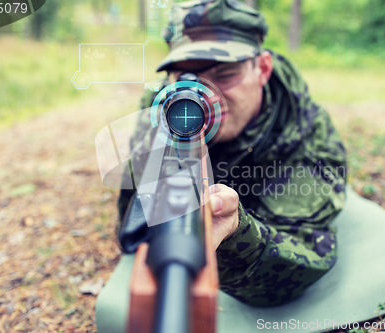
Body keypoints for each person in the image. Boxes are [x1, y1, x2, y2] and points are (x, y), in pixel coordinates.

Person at [118, 0, 347, 307]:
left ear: (262, 69)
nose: (205, 95)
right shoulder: (165, 104)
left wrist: (238, 234)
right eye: (186, 76)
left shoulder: (303, 129)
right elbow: (132, 207)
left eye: (225, 74)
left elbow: (302, 257)